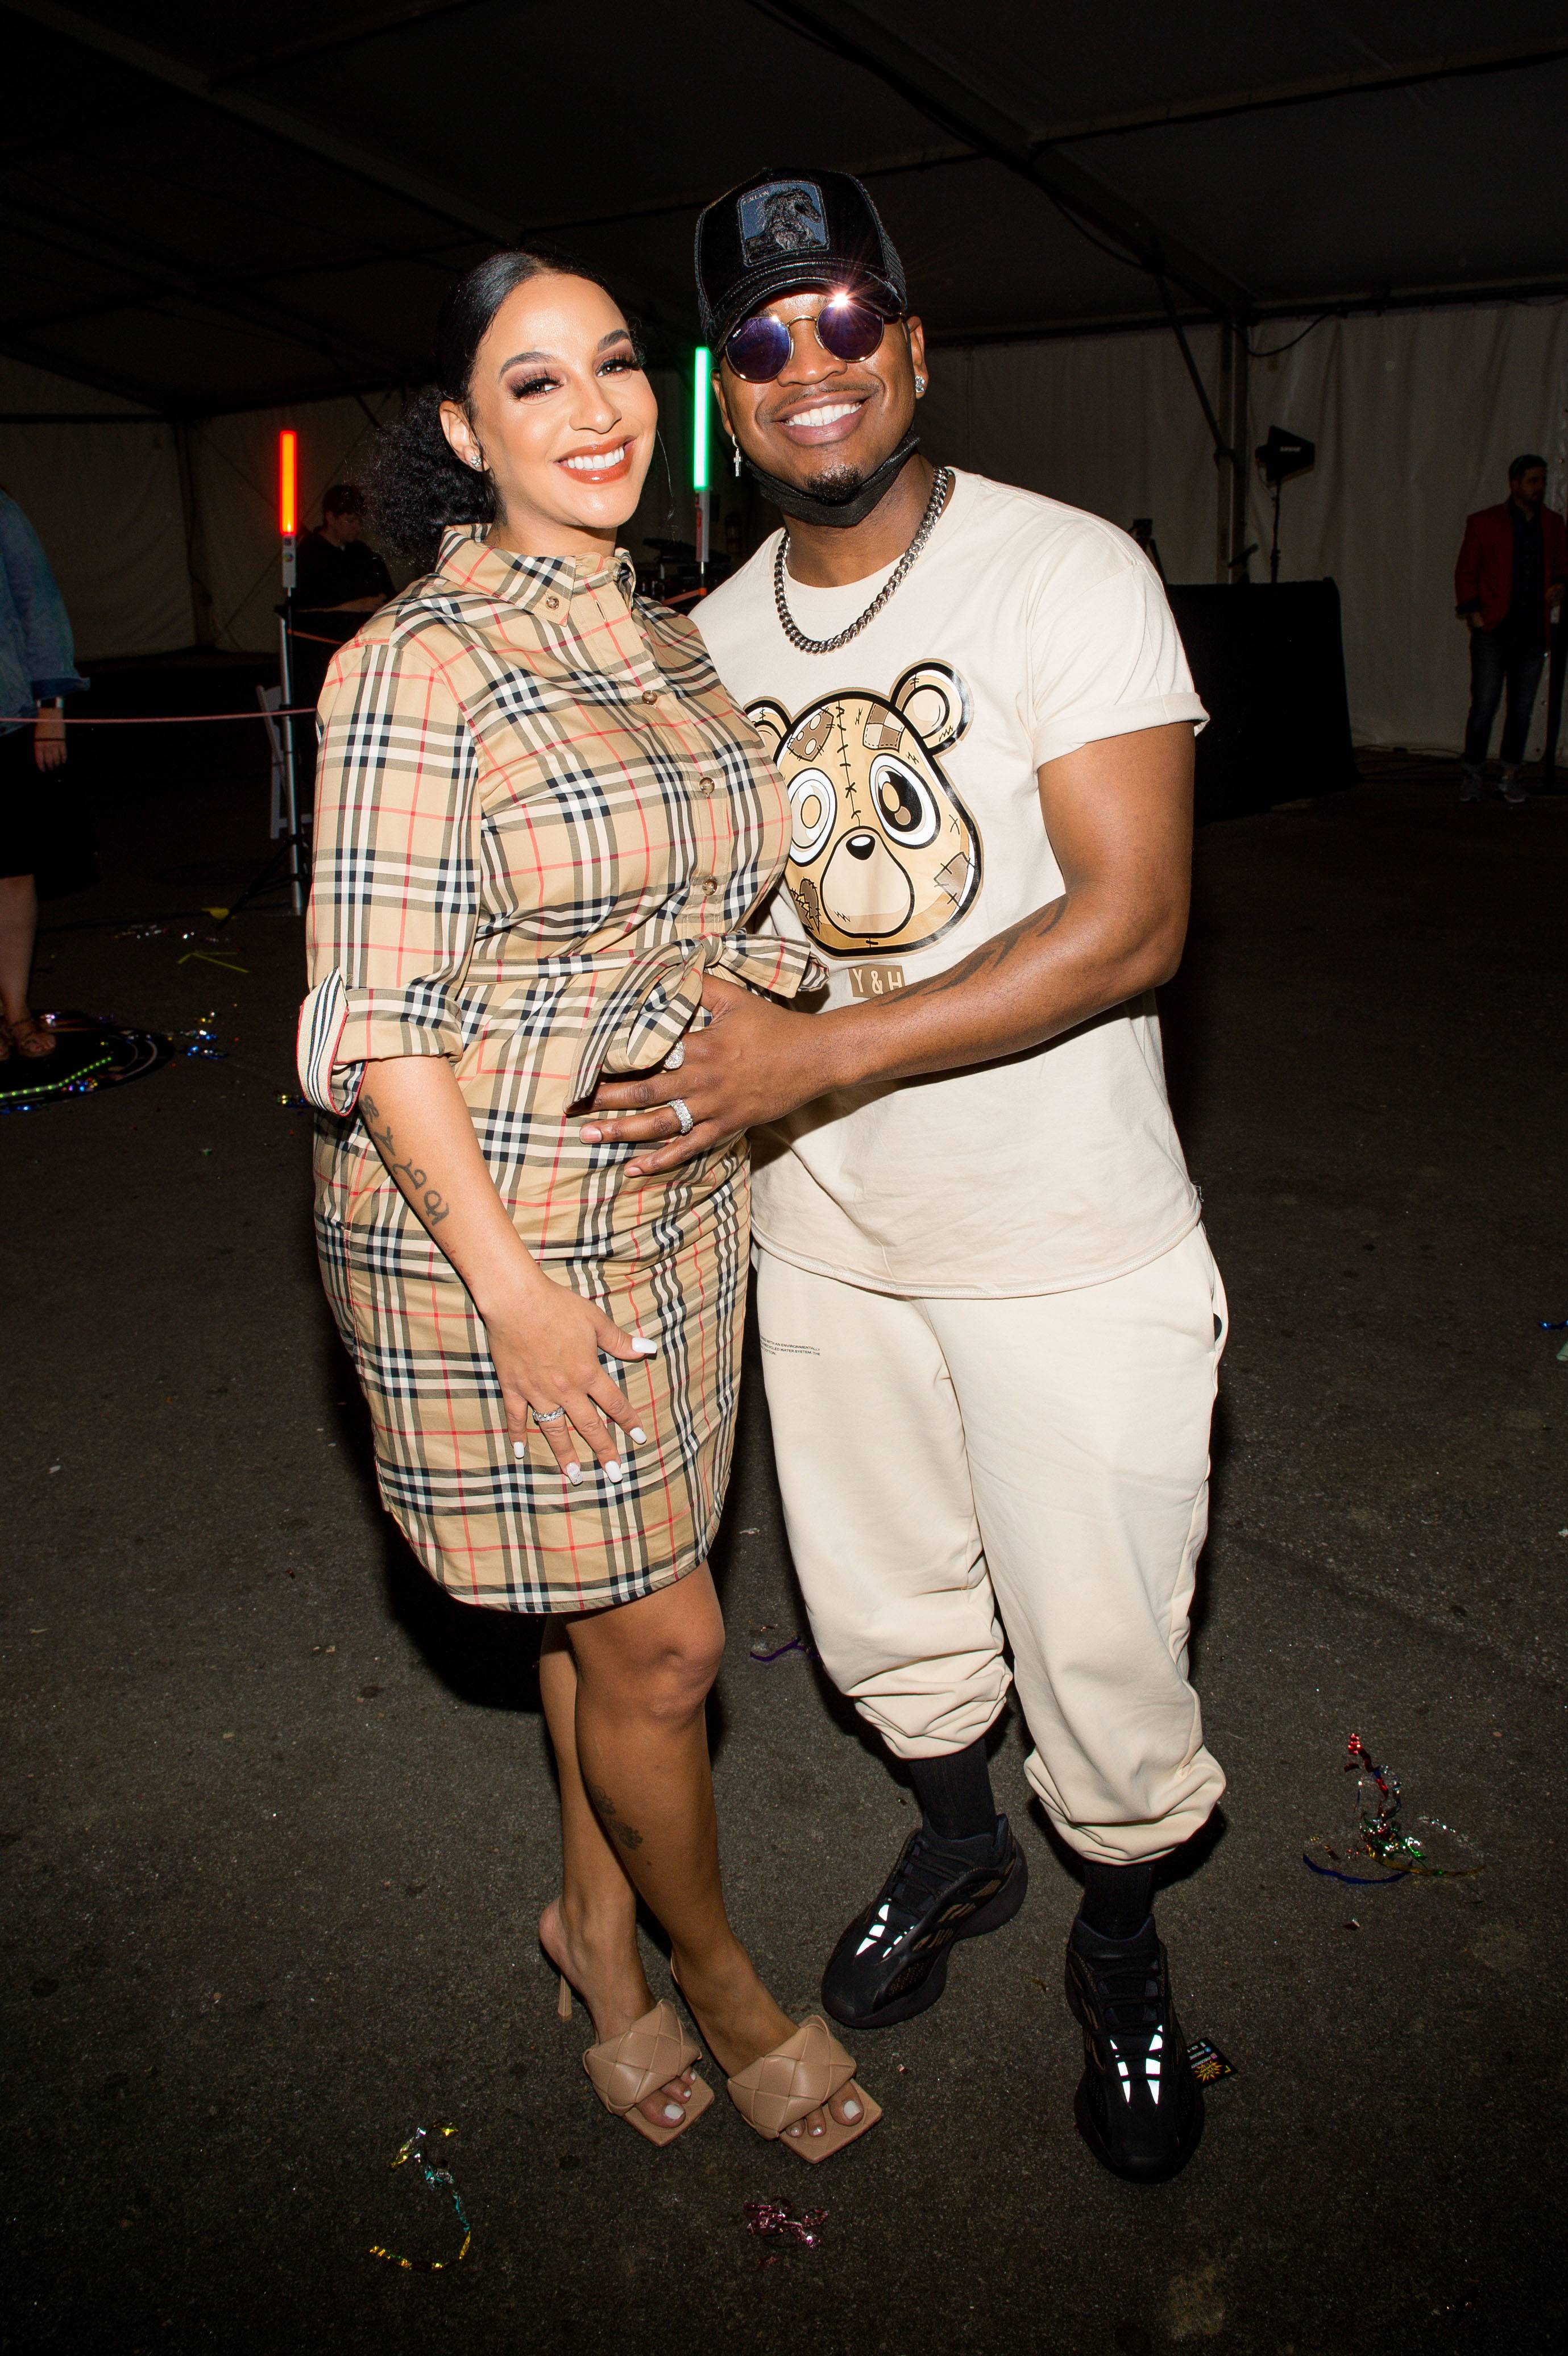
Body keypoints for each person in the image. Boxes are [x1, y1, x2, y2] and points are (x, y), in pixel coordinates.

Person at [582, 169, 1226, 2184]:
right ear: (724, 396)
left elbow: (1128, 924)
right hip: (821, 1244)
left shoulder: (1065, 575)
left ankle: (1114, 1942)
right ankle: (958, 1840)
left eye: (845, 319)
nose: (810, 365)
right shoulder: (691, 642)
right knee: (883, 1630)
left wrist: (809, 1050)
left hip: (1060, 1243)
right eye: (761, 341)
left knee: (1103, 1657)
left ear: (914, 349)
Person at [294, 250, 881, 2162]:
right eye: (532, 384)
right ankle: (718, 1979)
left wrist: (764, 1004)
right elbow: (372, 1025)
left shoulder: (671, 630)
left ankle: (596, 1932)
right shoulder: (412, 664)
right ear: (462, 434)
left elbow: (732, 890)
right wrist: (513, 1291)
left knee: (598, 1620)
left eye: (617, 365)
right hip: (489, 1218)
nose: (597, 410)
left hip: (673, 1188)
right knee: (672, 1646)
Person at [0, 490, 88, 1063]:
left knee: (11, 872)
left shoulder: (2, 512)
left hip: (5, 717)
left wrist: (51, 705)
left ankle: (15, 1007)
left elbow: (39, 602)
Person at [1454, 453, 1567, 804]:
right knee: (1485, 705)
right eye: (1533, 481)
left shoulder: (1552, 523)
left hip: (1532, 632)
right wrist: (1474, 615)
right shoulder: (1485, 522)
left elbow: (1563, 566)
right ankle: (1472, 772)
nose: (1539, 488)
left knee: (1521, 708)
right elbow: (1466, 572)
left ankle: (1509, 774)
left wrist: (1560, 585)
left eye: (1543, 481)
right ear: (1515, 483)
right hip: (1494, 630)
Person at [293, 482, 393, 620]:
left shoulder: (363, 552)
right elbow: (302, 612)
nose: (357, 527)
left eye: (360, 521)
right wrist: (353, 607)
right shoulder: (308, 556)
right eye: (350, 521)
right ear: (330, 518)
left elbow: (387, 590)